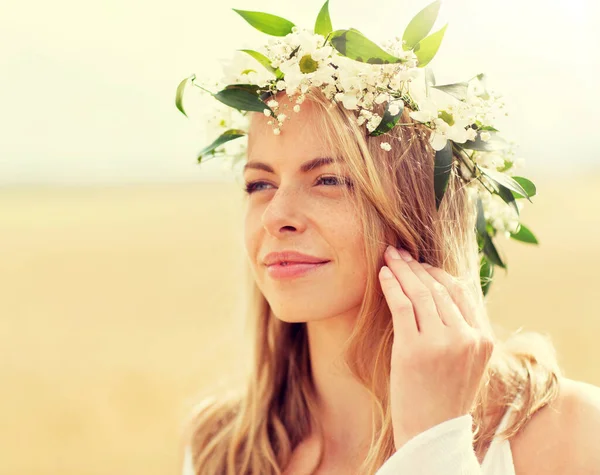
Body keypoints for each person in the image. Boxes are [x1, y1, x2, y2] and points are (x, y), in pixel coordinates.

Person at [177, 3, 600, 474]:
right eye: (260, 184)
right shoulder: (222, 450)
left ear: (418, 212)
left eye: (329, 180)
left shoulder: (571, 434)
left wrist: (435, 444)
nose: (276, 216)